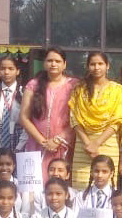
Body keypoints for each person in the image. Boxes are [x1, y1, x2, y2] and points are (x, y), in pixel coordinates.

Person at [69, 52, 122, 190]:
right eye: (93, 64)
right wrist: (88, 144)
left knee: (106, 185)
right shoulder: (79, 89)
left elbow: (117, 121)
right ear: (88, 66)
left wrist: (96, 143)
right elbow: (74, 118)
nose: (96, 67)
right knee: (81, 187)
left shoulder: (117, 89)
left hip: (108, 143)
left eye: (100, 64)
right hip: (83, 145)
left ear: (107, 66)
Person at [20, 47, 78, 177]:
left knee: (59, 183)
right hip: (37, 145)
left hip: (63, 145)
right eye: (50, 61)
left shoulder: (74, 85)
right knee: (35, 184)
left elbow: (78, 118)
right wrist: (43, 142)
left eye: (57, 61)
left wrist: (58, 140)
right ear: (44, 63)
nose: (53, 64)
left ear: (64, 64)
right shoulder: (33, 85)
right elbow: (24, 117)